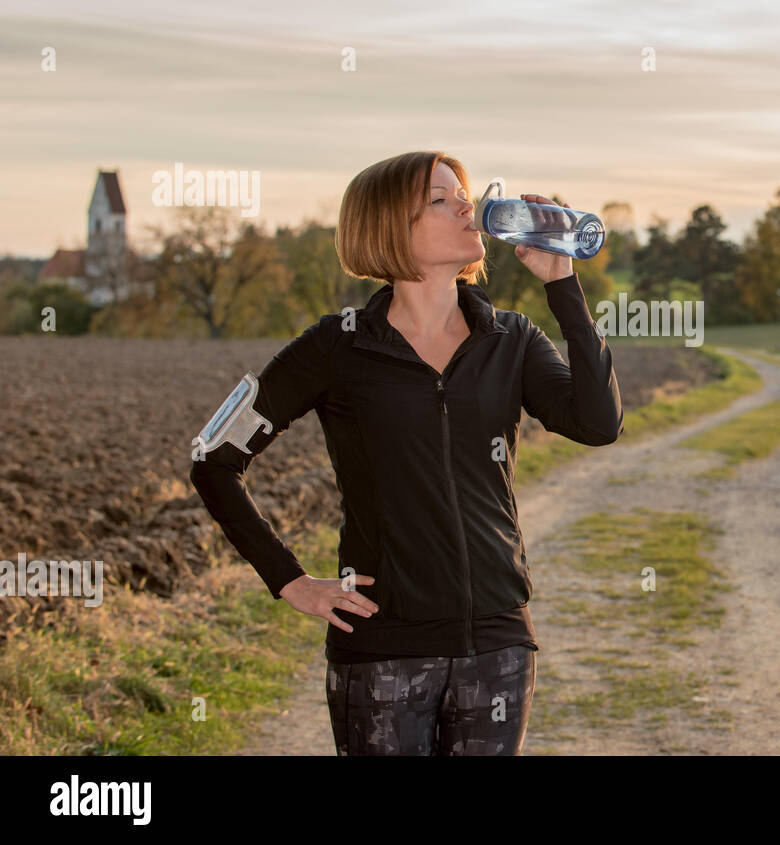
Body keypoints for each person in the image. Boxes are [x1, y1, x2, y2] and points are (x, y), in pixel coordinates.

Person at [189, 151, 624, 755]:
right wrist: (290, 582)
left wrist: (563, 285)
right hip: (382, 651)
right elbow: (213, 462)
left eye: (463, 194)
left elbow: (599, 424)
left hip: (498, 645)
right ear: (390, 228)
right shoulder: (335, 348)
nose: (466, 207)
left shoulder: (512, 340)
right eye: (440, 200)